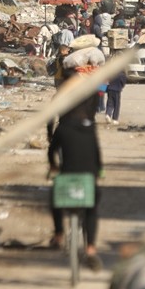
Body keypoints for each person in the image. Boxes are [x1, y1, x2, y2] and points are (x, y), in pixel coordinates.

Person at [48, 97, 104, 270]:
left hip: (67, 177)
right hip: (88, 178)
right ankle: (91, 248)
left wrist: (54, 167)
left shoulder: (62, 129)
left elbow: (51, 152)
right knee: (91, 209)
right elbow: (97, 154)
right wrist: (99, 172)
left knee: (54, 198)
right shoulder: (90, 129)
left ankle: (58, 234)